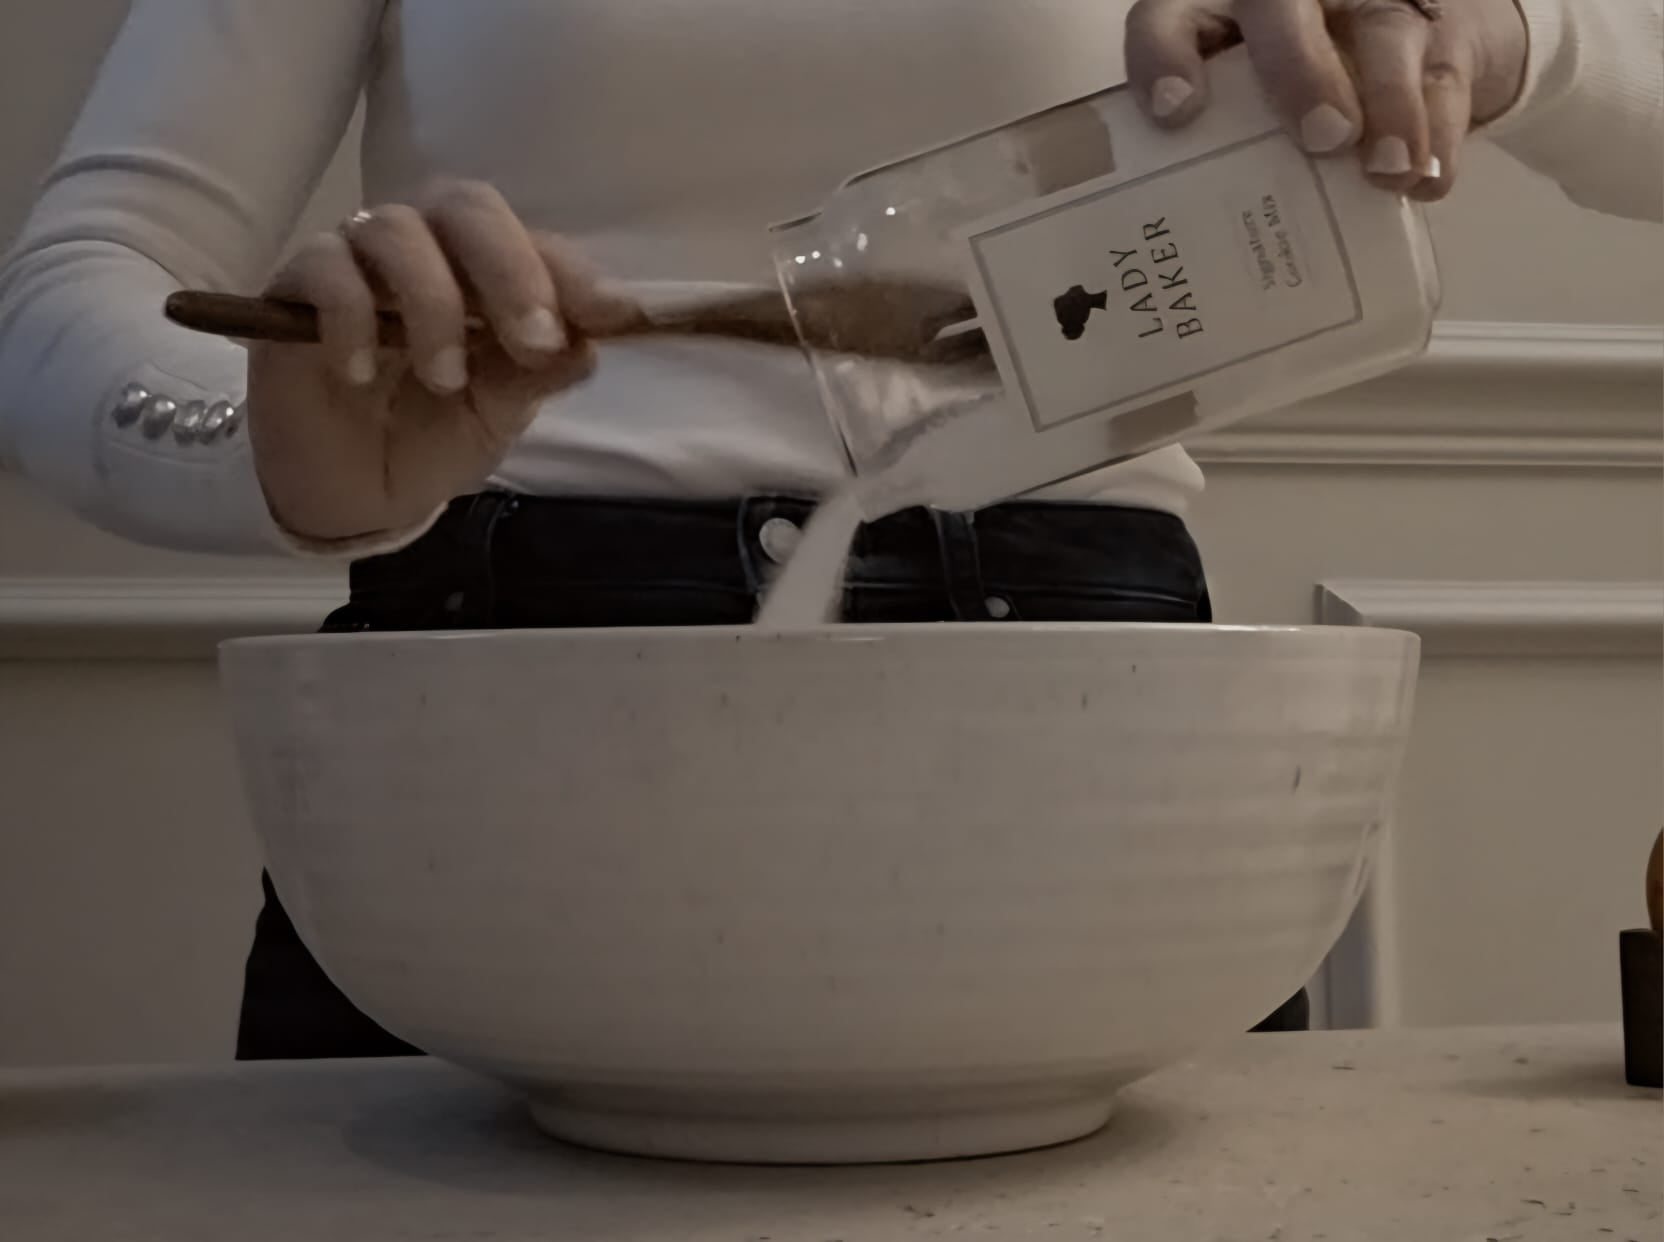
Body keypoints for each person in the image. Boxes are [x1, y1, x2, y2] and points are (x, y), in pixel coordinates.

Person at [0, 0, 1657, 1061]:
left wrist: (1504, 34)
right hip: (494, 751)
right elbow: (76, 288)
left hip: (1104, 771)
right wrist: (272, 449)